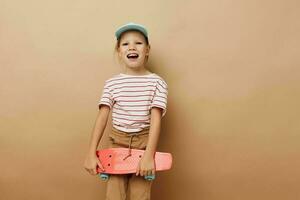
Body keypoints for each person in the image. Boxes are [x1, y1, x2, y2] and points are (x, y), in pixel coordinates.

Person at [83, 22, 168, 200]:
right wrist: (91, 153)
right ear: (119, 51)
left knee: (140, 196)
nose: (132, 47)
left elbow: (156, 121)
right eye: (125, 43)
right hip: (116, 143)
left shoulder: (157, 83)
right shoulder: (112, 83)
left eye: (138, 43)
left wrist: (148, 156)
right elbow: (102, 117)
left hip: (144, 144)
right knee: (114, 196)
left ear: (147, 49)